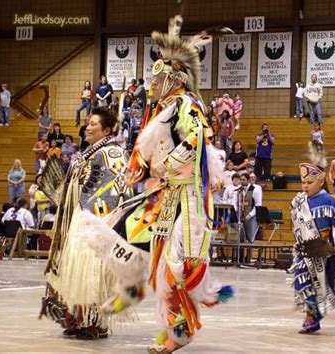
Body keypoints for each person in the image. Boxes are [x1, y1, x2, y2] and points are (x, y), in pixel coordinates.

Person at [85, 16, 234, 352]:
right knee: (133, 242)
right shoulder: (164, 111)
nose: (150, 86)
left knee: (176, 265)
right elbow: (146, 150)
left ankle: (178, 332)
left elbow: (195, 141)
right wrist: (138, 170)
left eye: (157, 80)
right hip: (168, 196)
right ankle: (133, 290)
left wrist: (168, 166)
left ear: (172, 80)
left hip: (190, 197)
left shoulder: (187, 106)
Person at [41, 107, 132, 340]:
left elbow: (117, 190)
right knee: (76, 272)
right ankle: (80, 320)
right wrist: (60, 192)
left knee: (91, 274)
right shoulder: (90, 152)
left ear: (107, 130)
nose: (87, 127)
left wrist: (96, 218)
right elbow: (80, 185)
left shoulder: (113, 153)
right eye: (88, 123)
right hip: (80, 220)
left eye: (93, 124)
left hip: (96, 224)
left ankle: (94, 323)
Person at [290, 162, 335, 334]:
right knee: (302, 282)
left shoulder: (328, 200)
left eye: (309, 182)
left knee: (323, 284)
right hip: (305, 249)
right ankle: (311, 315)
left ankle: (314, 317)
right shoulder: (300, 201)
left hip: (323, 248)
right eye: (303, 182)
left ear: (320, 182)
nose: (305, 186)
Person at [237, 173, 261, 244]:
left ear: (248, 180)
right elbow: (238, 203)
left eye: (243, 180)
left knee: (251, 238)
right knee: (241, 239)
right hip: (242, 216)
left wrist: (250, 215)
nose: (241, 181)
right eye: (240, 180)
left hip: (252, 217)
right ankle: (241, 255)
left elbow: (258, 205)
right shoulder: (239, 190)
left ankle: (250, 255)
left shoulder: (255, 190)